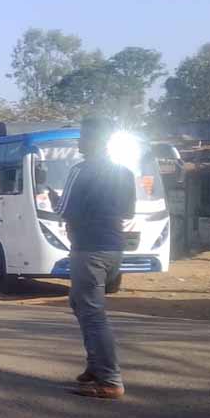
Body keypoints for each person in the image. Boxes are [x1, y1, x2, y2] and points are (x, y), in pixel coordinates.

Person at [58, 117, 135, 400]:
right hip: (114, 248)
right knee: (80, 304)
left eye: (82, 136)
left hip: (88, 248)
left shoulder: (80, 170)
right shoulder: (125, 172)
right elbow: (128, 211)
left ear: (94, 140)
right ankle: (95, 366)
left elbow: (64, 209)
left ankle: (110, 380)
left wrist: (57, 202)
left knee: (92, 313)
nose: (79, 141)